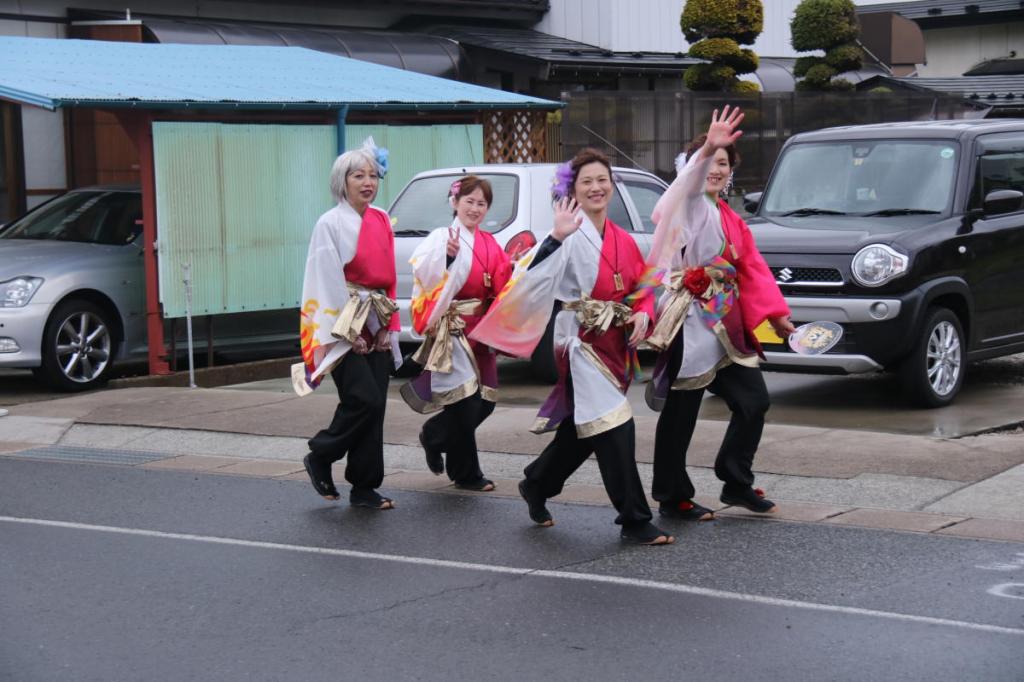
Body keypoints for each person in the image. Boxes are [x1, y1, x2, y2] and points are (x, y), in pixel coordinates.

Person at [472, 148, 674, 546]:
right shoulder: (564, 235)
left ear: (612, 186)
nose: (596, 188)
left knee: (585, 431)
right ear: (573, 191)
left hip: (616, 344)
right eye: (587, 182)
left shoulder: (623, 240)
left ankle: (537, 482)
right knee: (616, 424)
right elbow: (528, 276)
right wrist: (555, 237)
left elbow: (643, 287)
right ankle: (634, 518)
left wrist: (644, 312)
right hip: (580, 344)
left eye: (602, 180)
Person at [645, 106, 795, 519]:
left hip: (724, 317)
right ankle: (672, 495)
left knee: (754, 401)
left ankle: (735, 480)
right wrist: (710, 144)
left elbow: (753, 268)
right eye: (709, 162)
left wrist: (776, 314)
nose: (716, 169)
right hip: (689, 319)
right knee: (682, 413)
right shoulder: (689, 203)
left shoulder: (730, 218)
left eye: (724, 163)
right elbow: (685, 189)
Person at [292, 137, 401, 511]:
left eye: (373, 175)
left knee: (376, 406)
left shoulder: (382, 218)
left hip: (376, 318)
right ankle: (321, 454)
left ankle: (365, 486)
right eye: (359, 175)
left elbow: (388, 279)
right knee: (363, 399)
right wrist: (347, 330)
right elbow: (324, 278)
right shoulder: (330, 223)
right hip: (339, 324)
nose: (367, 182)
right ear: (343, 181)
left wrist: (389, 325)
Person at [401, 175, 513, 491]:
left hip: (483, 329)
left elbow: (503, 279)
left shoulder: (490, 242)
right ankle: (466, 474)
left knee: (485, 402)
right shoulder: (441, 237)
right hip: (455, 330)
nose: (475, 209)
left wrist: (516, 268)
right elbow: (423, 272)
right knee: (464, 404)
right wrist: (448, 257)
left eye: (481, 203)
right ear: (455, 203)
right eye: (469, 201)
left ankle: (434, 436)